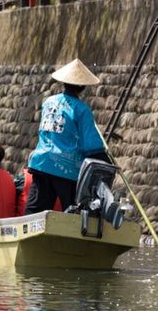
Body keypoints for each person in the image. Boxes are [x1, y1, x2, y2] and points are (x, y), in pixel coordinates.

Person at [24, 58, 108, 215]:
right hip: (67, 168)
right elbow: (91, 145)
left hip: (42, 162)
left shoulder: (49, 102)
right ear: (83, 87)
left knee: (35, 209)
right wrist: (105, 158)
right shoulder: (82, 110)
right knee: (72, 211)